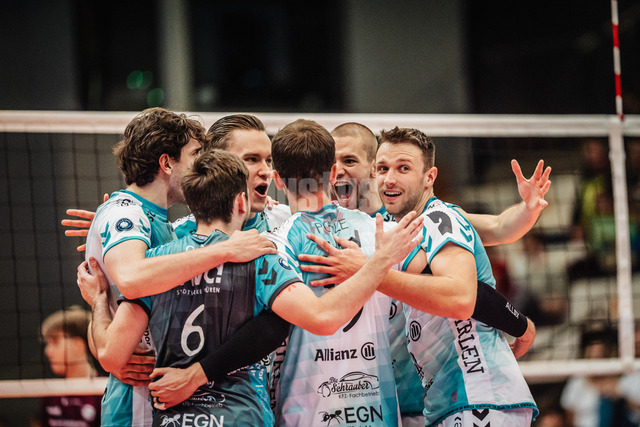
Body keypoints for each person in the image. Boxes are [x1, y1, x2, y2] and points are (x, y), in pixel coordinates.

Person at [80, 149, 423, 426]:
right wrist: (380, 261)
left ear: (192, 205)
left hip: (175, 418)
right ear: (242, 203)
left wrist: (98, 300)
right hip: (241, 415)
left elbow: (111, 355)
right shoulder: (259, 258)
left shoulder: (157, 265)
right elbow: (323, 317)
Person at [302, 127, 539, 425]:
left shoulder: (437, 218)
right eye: (385, 169)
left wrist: (369, 272)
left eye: (403, 168)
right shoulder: (392, 225)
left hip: (474, 392)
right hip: (437, 399)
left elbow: (465, 293)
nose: (390, 178)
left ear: (429, 177)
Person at [83, 108, 277, 427]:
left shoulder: (160, 224)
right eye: (195, 154)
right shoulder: (127, 214)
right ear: (166, 162)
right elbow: (130, 281)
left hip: (183, 399)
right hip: (141, 401)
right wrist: (226, 249)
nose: (201, 165)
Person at [38, 305, 101, 427]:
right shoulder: (50, 394)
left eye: (55, 342)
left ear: (78, 345)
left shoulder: (102, 392)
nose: (47, 351)